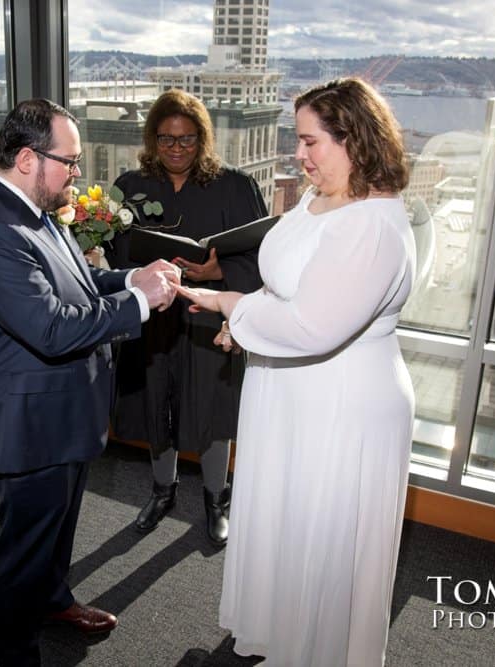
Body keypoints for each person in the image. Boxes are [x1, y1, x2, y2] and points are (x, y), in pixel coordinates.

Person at [176, 77, 416, 665]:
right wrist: (252, 321)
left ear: (355, 140)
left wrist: (231, 307)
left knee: (321, 533)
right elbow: (290, 287)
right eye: (297, 140)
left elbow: (314, 326)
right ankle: (279, 634)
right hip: (289, 386)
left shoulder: (372, 224)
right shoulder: (316, 199)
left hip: (341, 399)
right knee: (286, 520)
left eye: (312, 143)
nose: (299, 155)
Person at [0, 98, 180, 667]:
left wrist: (131, 277)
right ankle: (19, 657)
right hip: (29, 432)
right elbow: (52, 328)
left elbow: (77, 283)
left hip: (64, 418)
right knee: (20, 557)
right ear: (28, 158)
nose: (78, 174)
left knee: (57, 533)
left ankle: (53, 601)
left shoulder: (34, 211)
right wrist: (140, 303)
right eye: (70, 161)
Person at [108, 89, 267, 546]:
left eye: (188, 140)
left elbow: (261, 258)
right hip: (153, 320)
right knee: (158, 405)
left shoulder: (235, 186)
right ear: (152, 139)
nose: (177, 149)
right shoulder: (130, 187)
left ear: (203, 139)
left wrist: (219, 270)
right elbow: (121, 257)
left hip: (208, 318)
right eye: (166, 139)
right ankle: (163, 491)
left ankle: (217, 499)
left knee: (212, 410)